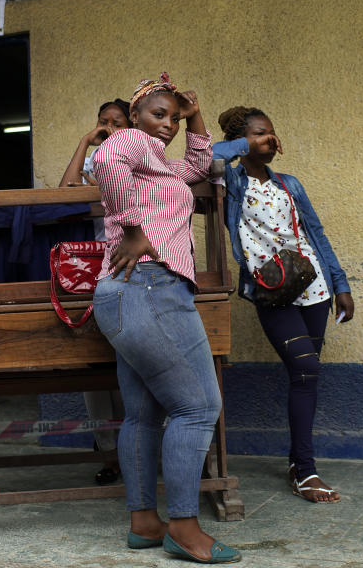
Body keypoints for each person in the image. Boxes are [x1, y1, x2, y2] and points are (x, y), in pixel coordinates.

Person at [91, 73, 241, 563]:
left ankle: (144, 522)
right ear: (135, 116)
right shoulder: (131, 141)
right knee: (198, 408)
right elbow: (105, 158)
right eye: (160, 114)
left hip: (124, 295)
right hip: (151, 285)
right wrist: (133, 226)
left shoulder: (162, 165)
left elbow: (200, 164)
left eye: (174, 118)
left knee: (144, 413)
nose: (168, 125)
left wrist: (195, 115)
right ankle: (183, 525)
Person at [212, 107, 355, 504]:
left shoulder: (289, 183)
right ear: (244, 140)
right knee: (306, 365)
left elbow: (316, 233)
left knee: (305, 376)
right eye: (261, 135)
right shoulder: (231, 180)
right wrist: (244, 145)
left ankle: (300, 466)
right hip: (271, 290)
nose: (271, 140)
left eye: (273, 133)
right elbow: (207, 157)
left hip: (315, 287)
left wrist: (340, 283)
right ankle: (306, 471)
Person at [59, 99, 131, 486]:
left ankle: (141, 449)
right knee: (94, 366)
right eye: (101, 122)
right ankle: (109, 453)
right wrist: (87, 142)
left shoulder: (135, 160)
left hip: (129, 267)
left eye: (115, 123)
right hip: (91, 271)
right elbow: (65, 190)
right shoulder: (93, 160)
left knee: (132, 361)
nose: (107, 128)